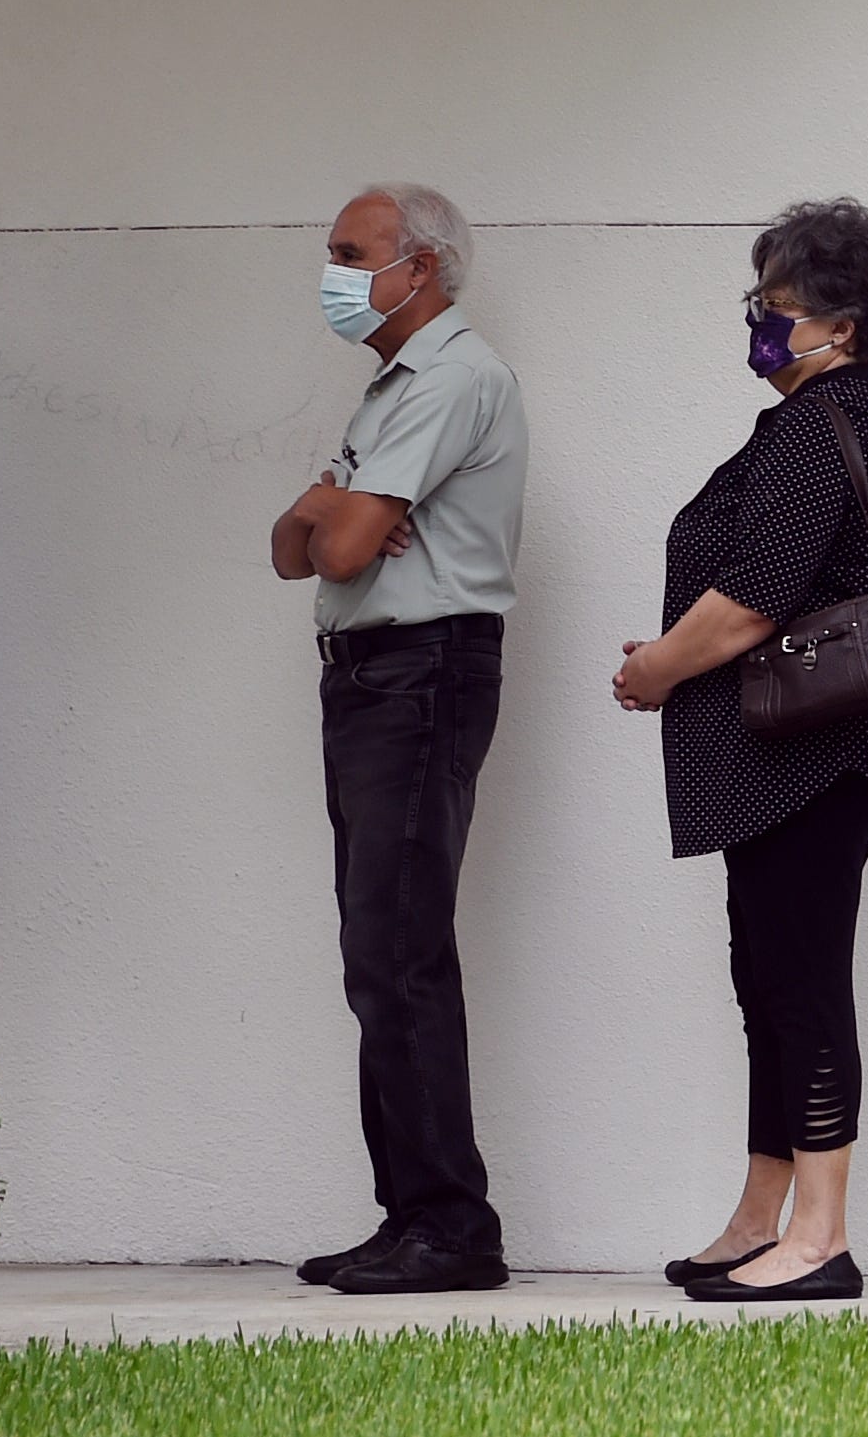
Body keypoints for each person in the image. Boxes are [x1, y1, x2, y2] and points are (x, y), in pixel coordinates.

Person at [619, 199, 868, 1306]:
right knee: (768, 978)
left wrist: (654, 667)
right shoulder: (821, 417)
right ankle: (764, 1214)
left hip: (818, 747)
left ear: (838, 325)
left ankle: (822, 1235)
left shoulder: (827, 419)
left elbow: (754, 599)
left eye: (777, 305)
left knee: (800, 979)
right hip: (789, 751)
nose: (758, 322)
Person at [268, 183, 526, 1296]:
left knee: (403, 950)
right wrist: (333, 506)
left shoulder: (454, 376)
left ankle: (454, 1227)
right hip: (374, 677)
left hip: (423, 673)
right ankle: (409, 1211)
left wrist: (340, 512)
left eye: (350, 252)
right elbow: (294, 546)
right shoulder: (392, 387)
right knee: (376, 953)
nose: (331, 270)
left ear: (418, 268)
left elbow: (335, 549)